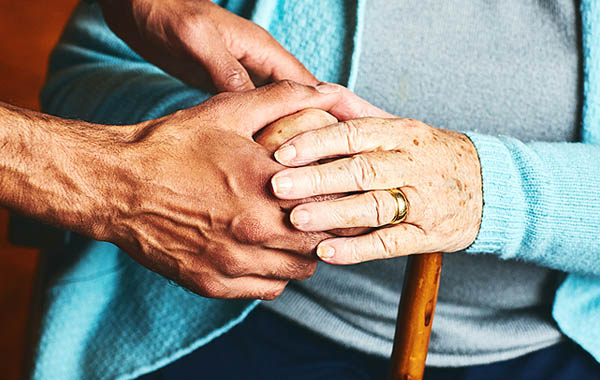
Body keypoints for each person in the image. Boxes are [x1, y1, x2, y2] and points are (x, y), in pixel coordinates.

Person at [27, 1, 600, 380]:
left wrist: (489, 190)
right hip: (220, 322)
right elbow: (85, 75)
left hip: (562, 350)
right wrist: (211, 144)